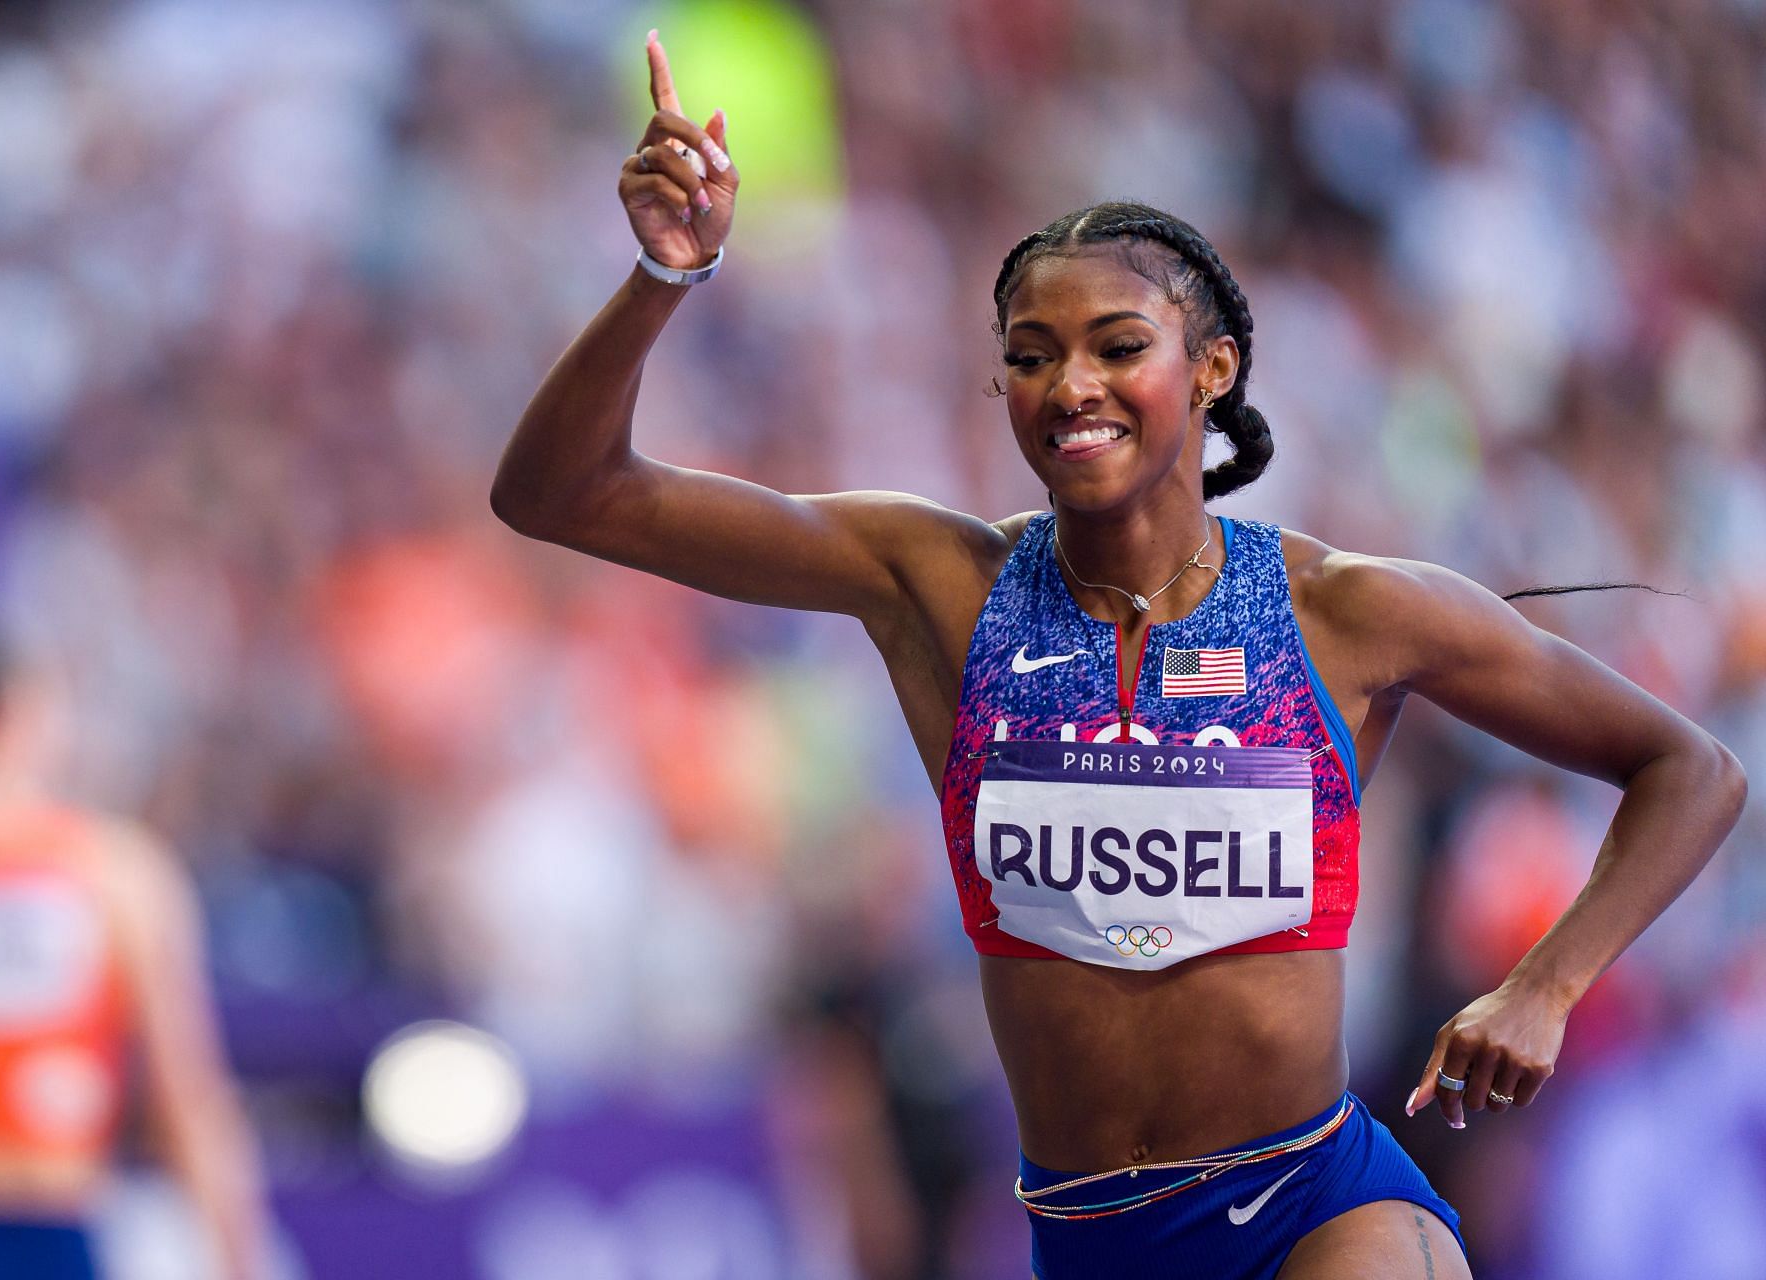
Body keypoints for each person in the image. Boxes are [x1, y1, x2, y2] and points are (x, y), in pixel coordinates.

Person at [490, 32, 1748, 1279]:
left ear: (1213, 368)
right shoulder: (935, 583)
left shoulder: (1345, 612)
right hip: (1087, 1235)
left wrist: (1545, 984)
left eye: (1116, 345)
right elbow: (562, 493)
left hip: (1316, 1199)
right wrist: (665, 280)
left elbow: (1689, 768)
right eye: (1031, 357)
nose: (1070, 383)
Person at [0, 632, 270, 1280]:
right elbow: (186, 1096)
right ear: (21, 714)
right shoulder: (113, 872)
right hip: (50, 1216)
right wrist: (238, 1258)